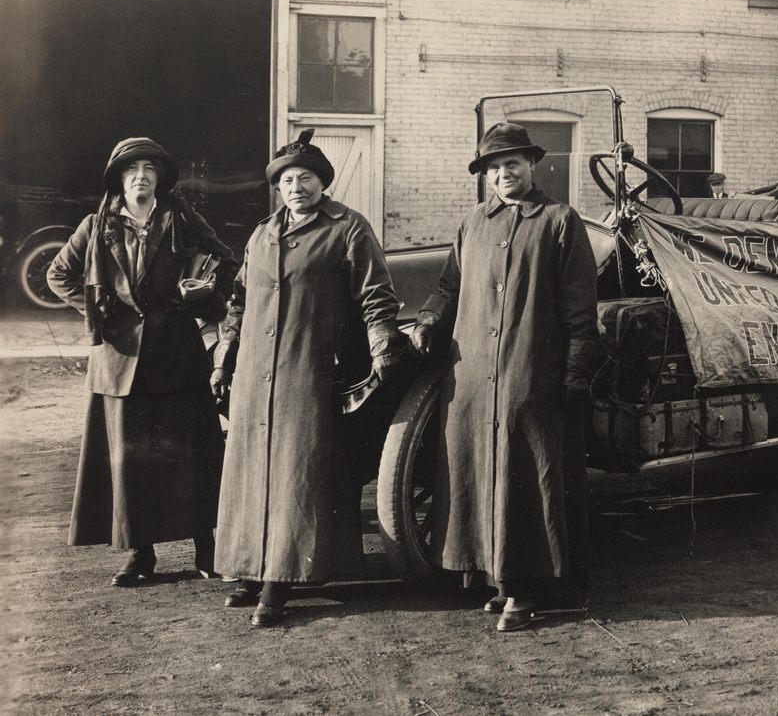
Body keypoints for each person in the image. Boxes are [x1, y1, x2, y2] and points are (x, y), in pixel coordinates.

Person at [210, 129, 404, 628]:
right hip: (256, 371)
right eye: (288, 180)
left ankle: (281, 582)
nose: (297, 187)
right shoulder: (261, 233)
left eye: (307, 178)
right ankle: (250, 569)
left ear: (323, 183)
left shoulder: (349, 228)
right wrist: (223, 358)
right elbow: (239, 302)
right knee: (253, 469)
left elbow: (376, 293)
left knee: (297, 470)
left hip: (309, 367)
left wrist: (383, 345)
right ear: (278, 188)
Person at [410, 122, 598, 633]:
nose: (502, 174)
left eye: (511, 164)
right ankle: (495, 579)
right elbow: (449, 285)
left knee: (526, 473)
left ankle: (526, 589)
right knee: (478, 470)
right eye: (493, 168)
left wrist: (577, 368)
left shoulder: (560, 221)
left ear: (532, 165)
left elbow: (581, 307)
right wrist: (428, 319)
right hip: (471, 372)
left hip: (529, 371)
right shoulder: (473, 223)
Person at [46, 137, 236, 586]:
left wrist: (203, 298)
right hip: (119, 360)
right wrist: (97, 309)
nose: (141, 176)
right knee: (129, 462)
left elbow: (226, 262)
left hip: (177, 356)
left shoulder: (181, 218)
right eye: (132, 169)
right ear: (119, 179)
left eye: (149, 168)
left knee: (191, 455)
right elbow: (59, 275)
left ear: (160, 179)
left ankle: (207, 548)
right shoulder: (96, 225)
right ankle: (139, 554)